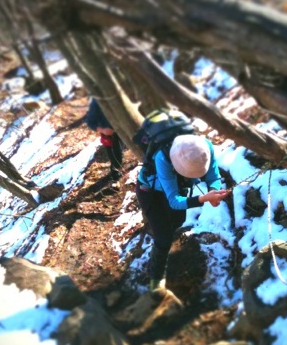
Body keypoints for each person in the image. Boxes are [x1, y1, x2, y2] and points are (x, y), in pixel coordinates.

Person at [135, 133, 230, 291]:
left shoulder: (204, 147)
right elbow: (174, 201)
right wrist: (203, 198)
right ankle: (155, 281)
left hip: (178, 186)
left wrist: (214, 190)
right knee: (163, 237)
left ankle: (162, 232)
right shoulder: (163, 158)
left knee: (178, 220)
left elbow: (213, 176)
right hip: (150, 191)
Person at [84, 97, 123, 181]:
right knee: (116, 159)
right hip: (110, 135)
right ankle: (115, 180)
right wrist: (103, 130)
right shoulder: (97, 101)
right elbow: (90, 122)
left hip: (127, 130)